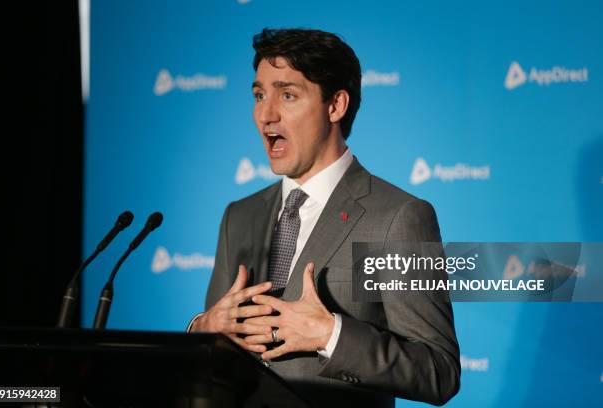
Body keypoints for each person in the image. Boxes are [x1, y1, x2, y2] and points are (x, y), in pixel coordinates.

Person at [189, 28, 460, 407]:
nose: (266, 114)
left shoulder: (398, 217)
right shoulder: (239, 216)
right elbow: (210, 357)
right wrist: (203, 329)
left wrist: (331, 334)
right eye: (259, 95)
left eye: (287, 95)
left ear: (335, 106)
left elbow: (437, 370)